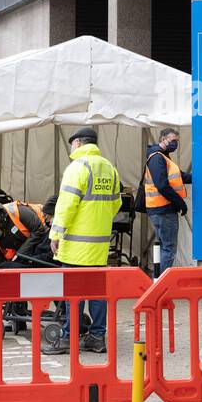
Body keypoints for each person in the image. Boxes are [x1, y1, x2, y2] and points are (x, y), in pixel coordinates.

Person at [42, 128, 122, 355]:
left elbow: (66, 205)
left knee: (74, 293)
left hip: (76, 246)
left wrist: (55, 233)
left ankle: (69, 337)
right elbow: (116, 204)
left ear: (77, 143)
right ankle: (97, 338)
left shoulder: (77, 167)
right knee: (97, 293)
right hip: (99, 246)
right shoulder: (110, 168)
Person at [142, 128, 190, 275]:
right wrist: (180, 203)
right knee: (168, 249)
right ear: (163, 139)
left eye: (177, 141)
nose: (175, 144)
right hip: (163, 209)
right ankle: (161, 284)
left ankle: (157, 281)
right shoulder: (157, 157)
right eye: (173, 140)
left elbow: (182, 177)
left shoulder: (164, 157)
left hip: (161, 209)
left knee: (164, 247)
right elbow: (162, 185)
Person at [0, 199, 48, 266]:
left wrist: (20, 255)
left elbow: (39, 230)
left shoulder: (18, 212)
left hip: (46, 230)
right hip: (29, 246)